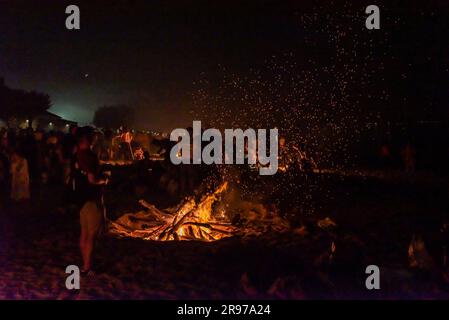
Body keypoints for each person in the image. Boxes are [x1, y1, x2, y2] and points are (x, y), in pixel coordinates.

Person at [73, 127, 108, 275]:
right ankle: (87, 267)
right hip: (91, 198)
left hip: (80, 198)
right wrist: (104, 180)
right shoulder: (89, 156)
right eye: (93, 137)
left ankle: (85, 265)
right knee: (91, 235)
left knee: (84, 233)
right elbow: (92, 179)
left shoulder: (76, 154)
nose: (95, 139)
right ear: (87, 140)